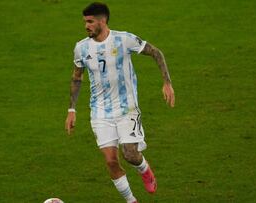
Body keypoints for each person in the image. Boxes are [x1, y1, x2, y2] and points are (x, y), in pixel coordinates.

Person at [65, 2, 175, 203]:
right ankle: (131, 201)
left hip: (127, 108)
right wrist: (72, 109)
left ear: (102, 21)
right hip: (100, 112)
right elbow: (76, 77)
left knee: (130, 154)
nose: (86, 26)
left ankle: (144, 169)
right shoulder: (81, 48)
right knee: (110, 161)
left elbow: (156, 52)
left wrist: (167, 82)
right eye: (85, 22)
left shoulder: (123, 39)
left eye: (90, 22)